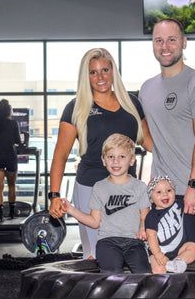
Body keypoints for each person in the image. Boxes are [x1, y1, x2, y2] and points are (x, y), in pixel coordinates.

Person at [48, 48, 152, 259]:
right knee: (96, 255)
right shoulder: (76, 108)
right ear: (85, 76)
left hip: (127, 189)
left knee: (131, 251)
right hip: (90, 188)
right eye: (93, 72)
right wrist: (54, 196)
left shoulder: (132, 104)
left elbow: (150, 142)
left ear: (113, 71)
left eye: (105, 70)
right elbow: (60, 156)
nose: (100, 77)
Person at [138, 18, 195, 259]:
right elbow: (150, 140)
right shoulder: (146, 89)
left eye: (172, 39)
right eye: (159, 40)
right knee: (163, 256)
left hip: (194, 188)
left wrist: (194, 185)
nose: (165, 46)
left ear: (184, 42)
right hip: (163, 190)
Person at [60, 133, 151, 273]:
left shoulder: (140, 186)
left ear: (132, 160)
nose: (115, 161)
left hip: (134, 241)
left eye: (122, 156)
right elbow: (94, 222)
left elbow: (145, 215)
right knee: (111, 273)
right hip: (108, 241)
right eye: (110, 157)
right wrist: (71, 210)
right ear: (104, 160)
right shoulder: (99, 187)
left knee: (143, 272)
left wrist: (142, 229)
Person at [145, 175, 195, 274]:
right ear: (151, 198)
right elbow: (151, 236)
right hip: (159, 250)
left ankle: (178, 262)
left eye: (169, 190)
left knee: (194, 247)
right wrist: (158, 254)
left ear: (174, 192)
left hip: (179, 250)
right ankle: (163, 281)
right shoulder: (151, 215)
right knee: (158, 269)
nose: (165, 194)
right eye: (159, 192)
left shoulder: (178, 204)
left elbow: (193, 208)